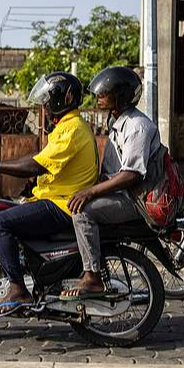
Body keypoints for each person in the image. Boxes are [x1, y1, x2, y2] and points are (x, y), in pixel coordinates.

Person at [0, 72, 99, 320]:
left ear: (65, 98)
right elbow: (51, 167)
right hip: (54, 199)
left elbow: (37, 164)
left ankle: (17, 289)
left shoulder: (73, 129)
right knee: (3, 210)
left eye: (48, 101)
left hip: (63, 205)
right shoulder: (65, 128)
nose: (45, 106)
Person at [61, 66, 162, 301]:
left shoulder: (137, 126)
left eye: (105, 92)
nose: (99, 97)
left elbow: (131, 175)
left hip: (136, 200)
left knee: (82, 213)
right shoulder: (117, 122)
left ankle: (92, 276)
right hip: (123, 193)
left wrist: (90, 192)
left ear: (121, 95)